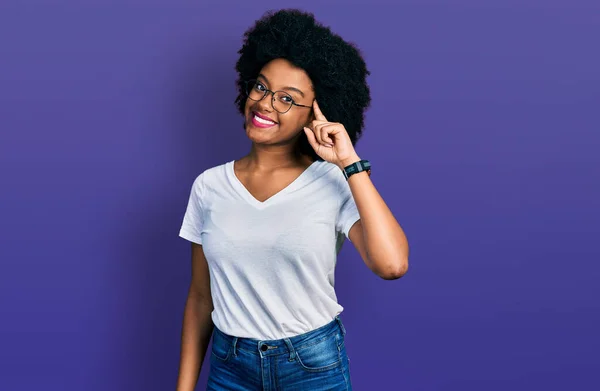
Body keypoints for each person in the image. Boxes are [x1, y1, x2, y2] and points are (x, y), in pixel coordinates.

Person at [176, 8, 409, 391]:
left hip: (311, 366)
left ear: (315, 115)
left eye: (288, 98)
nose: (266, 104)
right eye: (262, 87)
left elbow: (392, 264)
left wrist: (349, 162)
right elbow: (201, 297)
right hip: (230, 367)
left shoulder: (333, 182)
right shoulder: (209, 186)